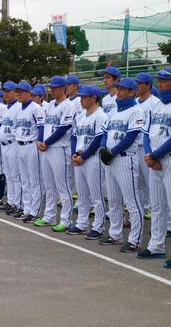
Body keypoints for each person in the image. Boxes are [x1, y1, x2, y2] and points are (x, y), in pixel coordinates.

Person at [99, 78, 145, 252]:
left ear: (132, 92)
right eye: (118, 88)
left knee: (132, 201)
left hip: (126, 158)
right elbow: (104, 133)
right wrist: (104, 148)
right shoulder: (113, 112)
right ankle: (115, 234)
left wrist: (113, 151)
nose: (119, 91)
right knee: (114, 200)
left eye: (123, 89)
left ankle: (135, 240)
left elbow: (131, 136)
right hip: (111, 159)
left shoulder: (136, 111)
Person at [137, 67, 171, 268]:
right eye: (159, 80)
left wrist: (155, 155)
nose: (161, 84)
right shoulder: (156, 106)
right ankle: (156, 246)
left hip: (167, 159)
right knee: (157, 206)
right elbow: (147, 133)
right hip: (155, 162)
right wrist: (150, 156)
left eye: (165, 81)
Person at [35, 76, 76, 231]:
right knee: (49, 185)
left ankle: (66, 220)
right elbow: (43, 125)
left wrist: (47, 142)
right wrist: (40, 140)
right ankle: (49, 216)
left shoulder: (69, 106)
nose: (52, 89)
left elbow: (63, 128)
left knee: (63, 185)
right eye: (51, 87)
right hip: (47, 148)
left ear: (63, 88)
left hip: (60, 148)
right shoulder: (51, 104)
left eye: (55, 87)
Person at [68, 85, 108, 239]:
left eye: (84, 97)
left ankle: (98, 227)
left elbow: (98, 140)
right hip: (79, 157)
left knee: (96, 195)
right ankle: (81, 223)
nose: (81, 99)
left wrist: (83, 156)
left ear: (94, 98)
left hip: (93, 158)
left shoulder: (101, 115)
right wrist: (74, 154)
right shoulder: (80, 116)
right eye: (81, 96)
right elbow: (74, 137)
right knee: (83, 195)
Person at [14, 81, 45, 221]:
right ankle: (26, 209)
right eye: (17, 92)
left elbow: (41, 127)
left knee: (34, 180)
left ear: (28, 93)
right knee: (24, 180)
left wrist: (39, 141)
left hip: (32, 146)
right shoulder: (19, 108)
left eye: (21, 91)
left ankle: (35, 211)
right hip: (20, 145)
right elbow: (16, 127)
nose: (18, 94)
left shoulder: (36, 108)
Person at [134, 72, 161, 220]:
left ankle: (156, 212)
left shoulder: (155, 102)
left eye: (140, 83)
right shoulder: (135, 102)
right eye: (137, 83)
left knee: (152, 183)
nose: (137, 85)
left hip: (148, 147)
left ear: (149, 85)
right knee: (137, 182)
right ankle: (142, 211)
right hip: (135, 147)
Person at [0, 81, 23, 216]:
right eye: (5, 91)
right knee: (9, 176)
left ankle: (17, 203)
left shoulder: (19, 107)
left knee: (15, 176)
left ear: (15, 92)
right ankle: (11, 201)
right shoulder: (6, 107)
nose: (6, 94)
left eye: (9, 91)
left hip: (13, 144)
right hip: (4, 146)